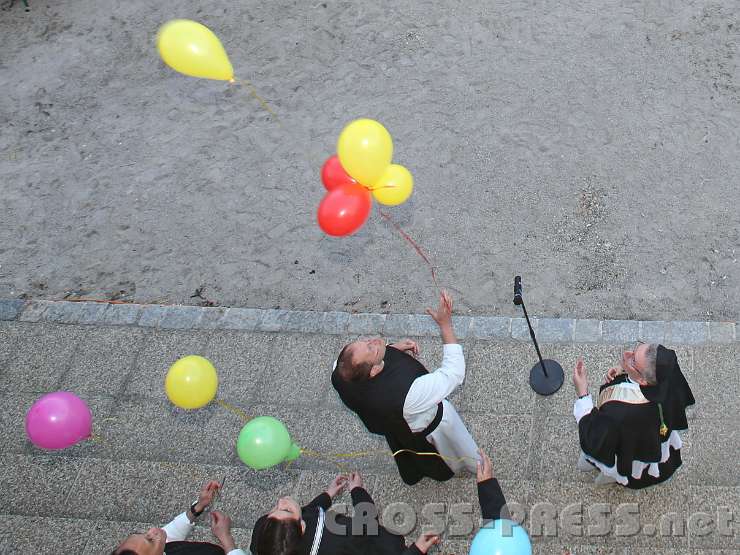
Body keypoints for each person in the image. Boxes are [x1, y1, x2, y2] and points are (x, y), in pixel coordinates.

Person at [331, 290, 479, 485]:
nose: (373, 340)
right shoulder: (410, 393)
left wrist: (392, 349)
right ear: (374, 371)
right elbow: (453, 373)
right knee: (462, 450)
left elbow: (366, 363)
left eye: (366, 342)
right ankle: (478, 468)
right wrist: (445, 325)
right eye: (372, 349)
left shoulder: (339, 372)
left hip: (396, 426)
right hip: (430, 425)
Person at [572, 342, 695, 488]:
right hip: (648, 434)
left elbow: (595, 437)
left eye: (633, 360)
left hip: (626, 447)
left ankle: (610, 475)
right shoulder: (666, 375)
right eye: (636, 348)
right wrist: (625, 370)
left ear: (643, 380)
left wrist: (583, 394)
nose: (626, 354)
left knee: (616, 465)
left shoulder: (619, 413)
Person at [249, 471, 440, 554]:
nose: (280, 501)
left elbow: (307, 511)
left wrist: (328, 495)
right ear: (301, 526)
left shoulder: (263, 532)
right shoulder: (340, 539)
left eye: (274, 510)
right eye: (286, 509)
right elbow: (367, 524)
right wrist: (358, 491)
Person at [111, 480, 246, 555]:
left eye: (143, 534)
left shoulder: (158, 549)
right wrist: (226, 539)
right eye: (150, 540)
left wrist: (197, 508)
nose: (152, 529)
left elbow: (168, 537)